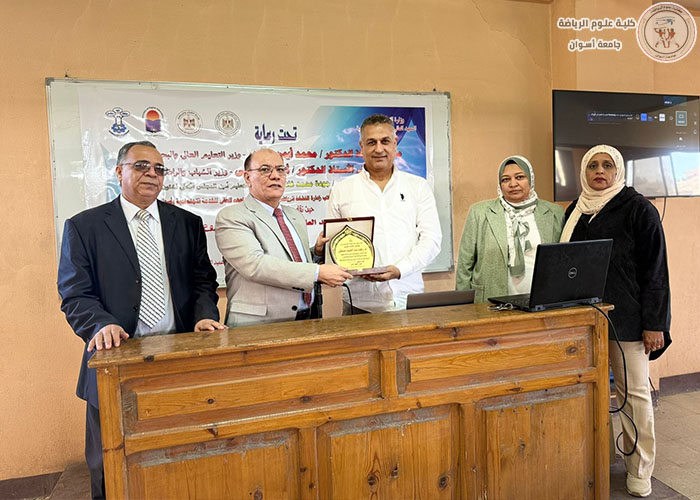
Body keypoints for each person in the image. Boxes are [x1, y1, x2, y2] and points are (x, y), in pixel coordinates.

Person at [57, 141, 224, 499]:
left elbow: (203, 281)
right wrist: (100, 324)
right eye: (141, 166)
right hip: (116, 359)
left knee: (179, 453)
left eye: (159, 169)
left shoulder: (187, 223)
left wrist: (204, 317)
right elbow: (74, 293)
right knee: (110, 462)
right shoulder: (85, 226)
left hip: (177, 356)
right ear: (119, 171)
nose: (152, 174)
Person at [560, 144, 671, 498]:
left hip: (629, 322)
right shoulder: (575, 211)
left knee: (633, 396)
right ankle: (596, 462)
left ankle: (640, 470)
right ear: (583, 172)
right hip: (582, 322)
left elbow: (656, 271)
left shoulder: (638, 209)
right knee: (586, 394)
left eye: (607, 165)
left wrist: (655, 323)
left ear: (618, 171)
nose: (599, 171)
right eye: (592, 165)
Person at [215, 148, 352, 326]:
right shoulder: (232, 216)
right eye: (265, 170)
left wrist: (316, 253)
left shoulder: (294, 216)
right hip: (258, 325)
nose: (275, 176)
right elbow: (255, 265)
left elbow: (292, 261)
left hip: (308, 318)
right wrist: (317, 272)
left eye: (280, 169)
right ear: (247, 177)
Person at [326, 114, 442, 313]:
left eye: (385, 141)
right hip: (360, 303)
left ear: (395, 144)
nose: (379, 149)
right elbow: (334, 244)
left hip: (408, 298)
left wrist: (399, 270)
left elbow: (431, 240)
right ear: (361, 147)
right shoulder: (341, 190)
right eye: (371, 142)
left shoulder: (418, 187)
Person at [456, 155, 564, 302]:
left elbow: (563, 259)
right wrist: (463, 305)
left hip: (541, 299)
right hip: (491, 299)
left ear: (530, 179)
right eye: (506, 179)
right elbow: (465, 264)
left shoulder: (554, 212)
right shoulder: (480, 212)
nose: (513, 184)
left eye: (519, 177)